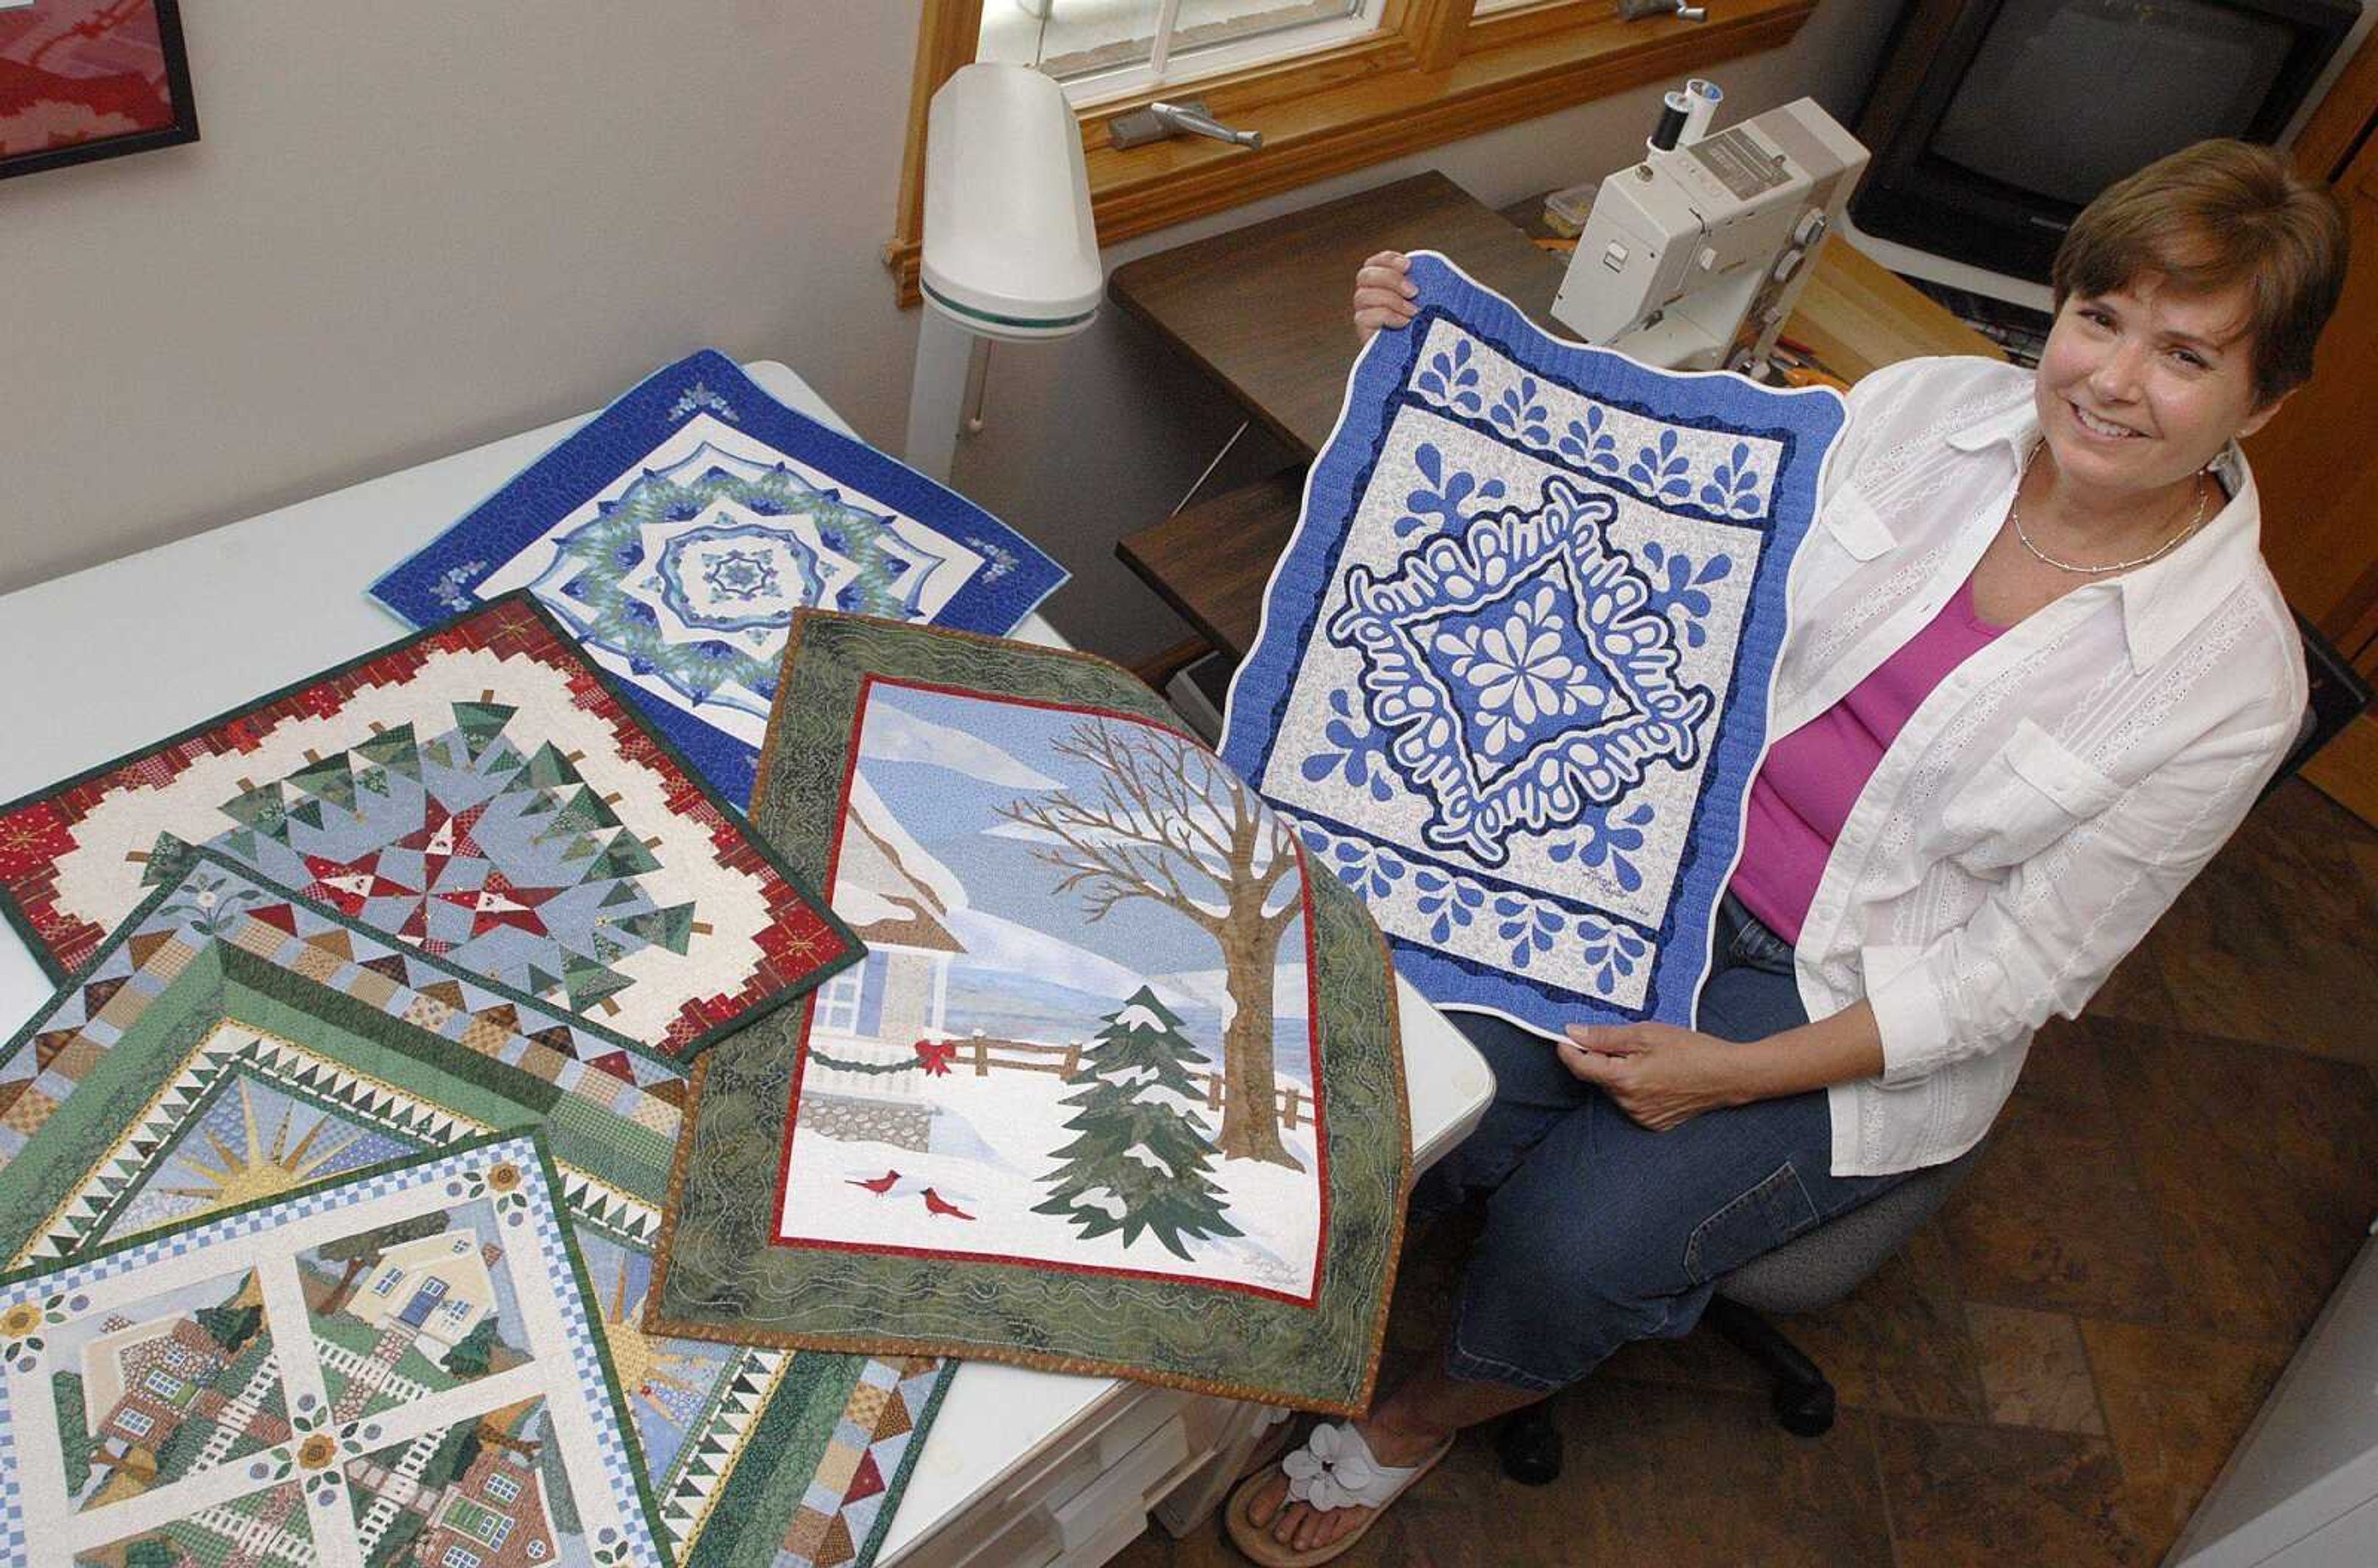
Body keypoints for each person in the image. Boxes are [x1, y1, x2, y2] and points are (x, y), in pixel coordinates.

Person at [1227, 138, 2349, 1566]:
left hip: (1837, 1002)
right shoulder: (1926, 410)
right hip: (1631, 873)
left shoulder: (2227, 684)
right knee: (1402, 1085)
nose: (2112, 381)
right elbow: (1656, 517)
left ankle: (1418, 1414)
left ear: (2271, 397)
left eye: (2186, 356)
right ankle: (1283, 1305)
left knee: (1576, 1249)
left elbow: (2019, 971)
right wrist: (1450, 366)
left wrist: (1733, 1076)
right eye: (2098, 317)